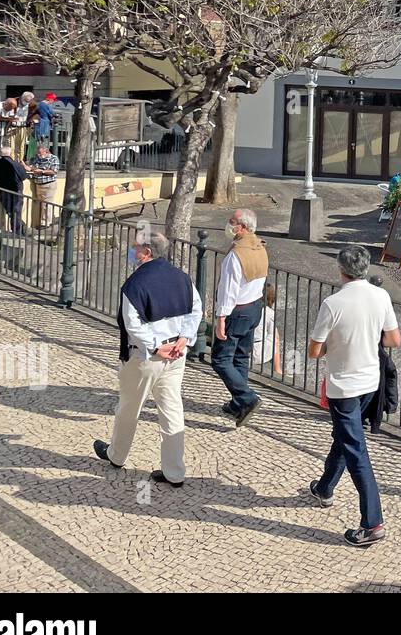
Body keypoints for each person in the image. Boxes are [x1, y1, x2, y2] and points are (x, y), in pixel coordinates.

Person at [307, 244, 401, 546]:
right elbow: (393, 339)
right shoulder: (381, 295)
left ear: (341, 269)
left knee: (356, 449)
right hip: (370, 382)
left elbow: (314, 350)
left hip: (343, 386)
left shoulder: (333, 304)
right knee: (347, 437)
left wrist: (337, 344)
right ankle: (324, 488)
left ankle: (372, 523)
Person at [93, 231, 202, 488]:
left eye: (135, 248)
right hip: (176, 353)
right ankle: (174, 472)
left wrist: (155, 347)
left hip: (146, 357)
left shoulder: (134, 284)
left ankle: (117, 455)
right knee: (172, 409)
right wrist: (184, 338)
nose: (132, 252)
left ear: (147, 252)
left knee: (129, 407)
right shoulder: (182, 278)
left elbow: (132, 324)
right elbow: (196, 309)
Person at [211, 208, 269, 426]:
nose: (228, 224)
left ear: (242, 227)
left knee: (220, 359)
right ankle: (238, 402)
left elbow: (228, 290)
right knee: (241, 356)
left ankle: (247, 398)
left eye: (232, 221)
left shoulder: (235, 255)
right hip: (255, 307)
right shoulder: (260, 246)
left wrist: (220, 318)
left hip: (237, 310)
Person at [0, 142, 28, 235]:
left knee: (10, 211)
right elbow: (23, 176)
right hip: (15, 190)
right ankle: (18, 231)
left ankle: (18, 228)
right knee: (16, 211)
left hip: (2, 190)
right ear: (10, 153)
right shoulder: (15, 164)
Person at [26, 140, 59, 230]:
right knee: (40, 204)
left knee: (47, 204)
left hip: (48, 184)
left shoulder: (53, 158)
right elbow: (31, 166)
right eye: (38, 153)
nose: (39, 155)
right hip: (38, 184)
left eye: (41, 153)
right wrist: (27, 166)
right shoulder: (36, 158)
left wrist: (42, 171)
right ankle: (40, 221)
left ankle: (46, 223)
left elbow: (54, 171)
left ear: (46, 151)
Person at [252, 281, 282, 377]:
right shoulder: (269, 312)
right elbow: (274, 336)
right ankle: (277, 369)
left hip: (243, 347)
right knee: (275, 338)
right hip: (258, 353)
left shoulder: (248, 308)